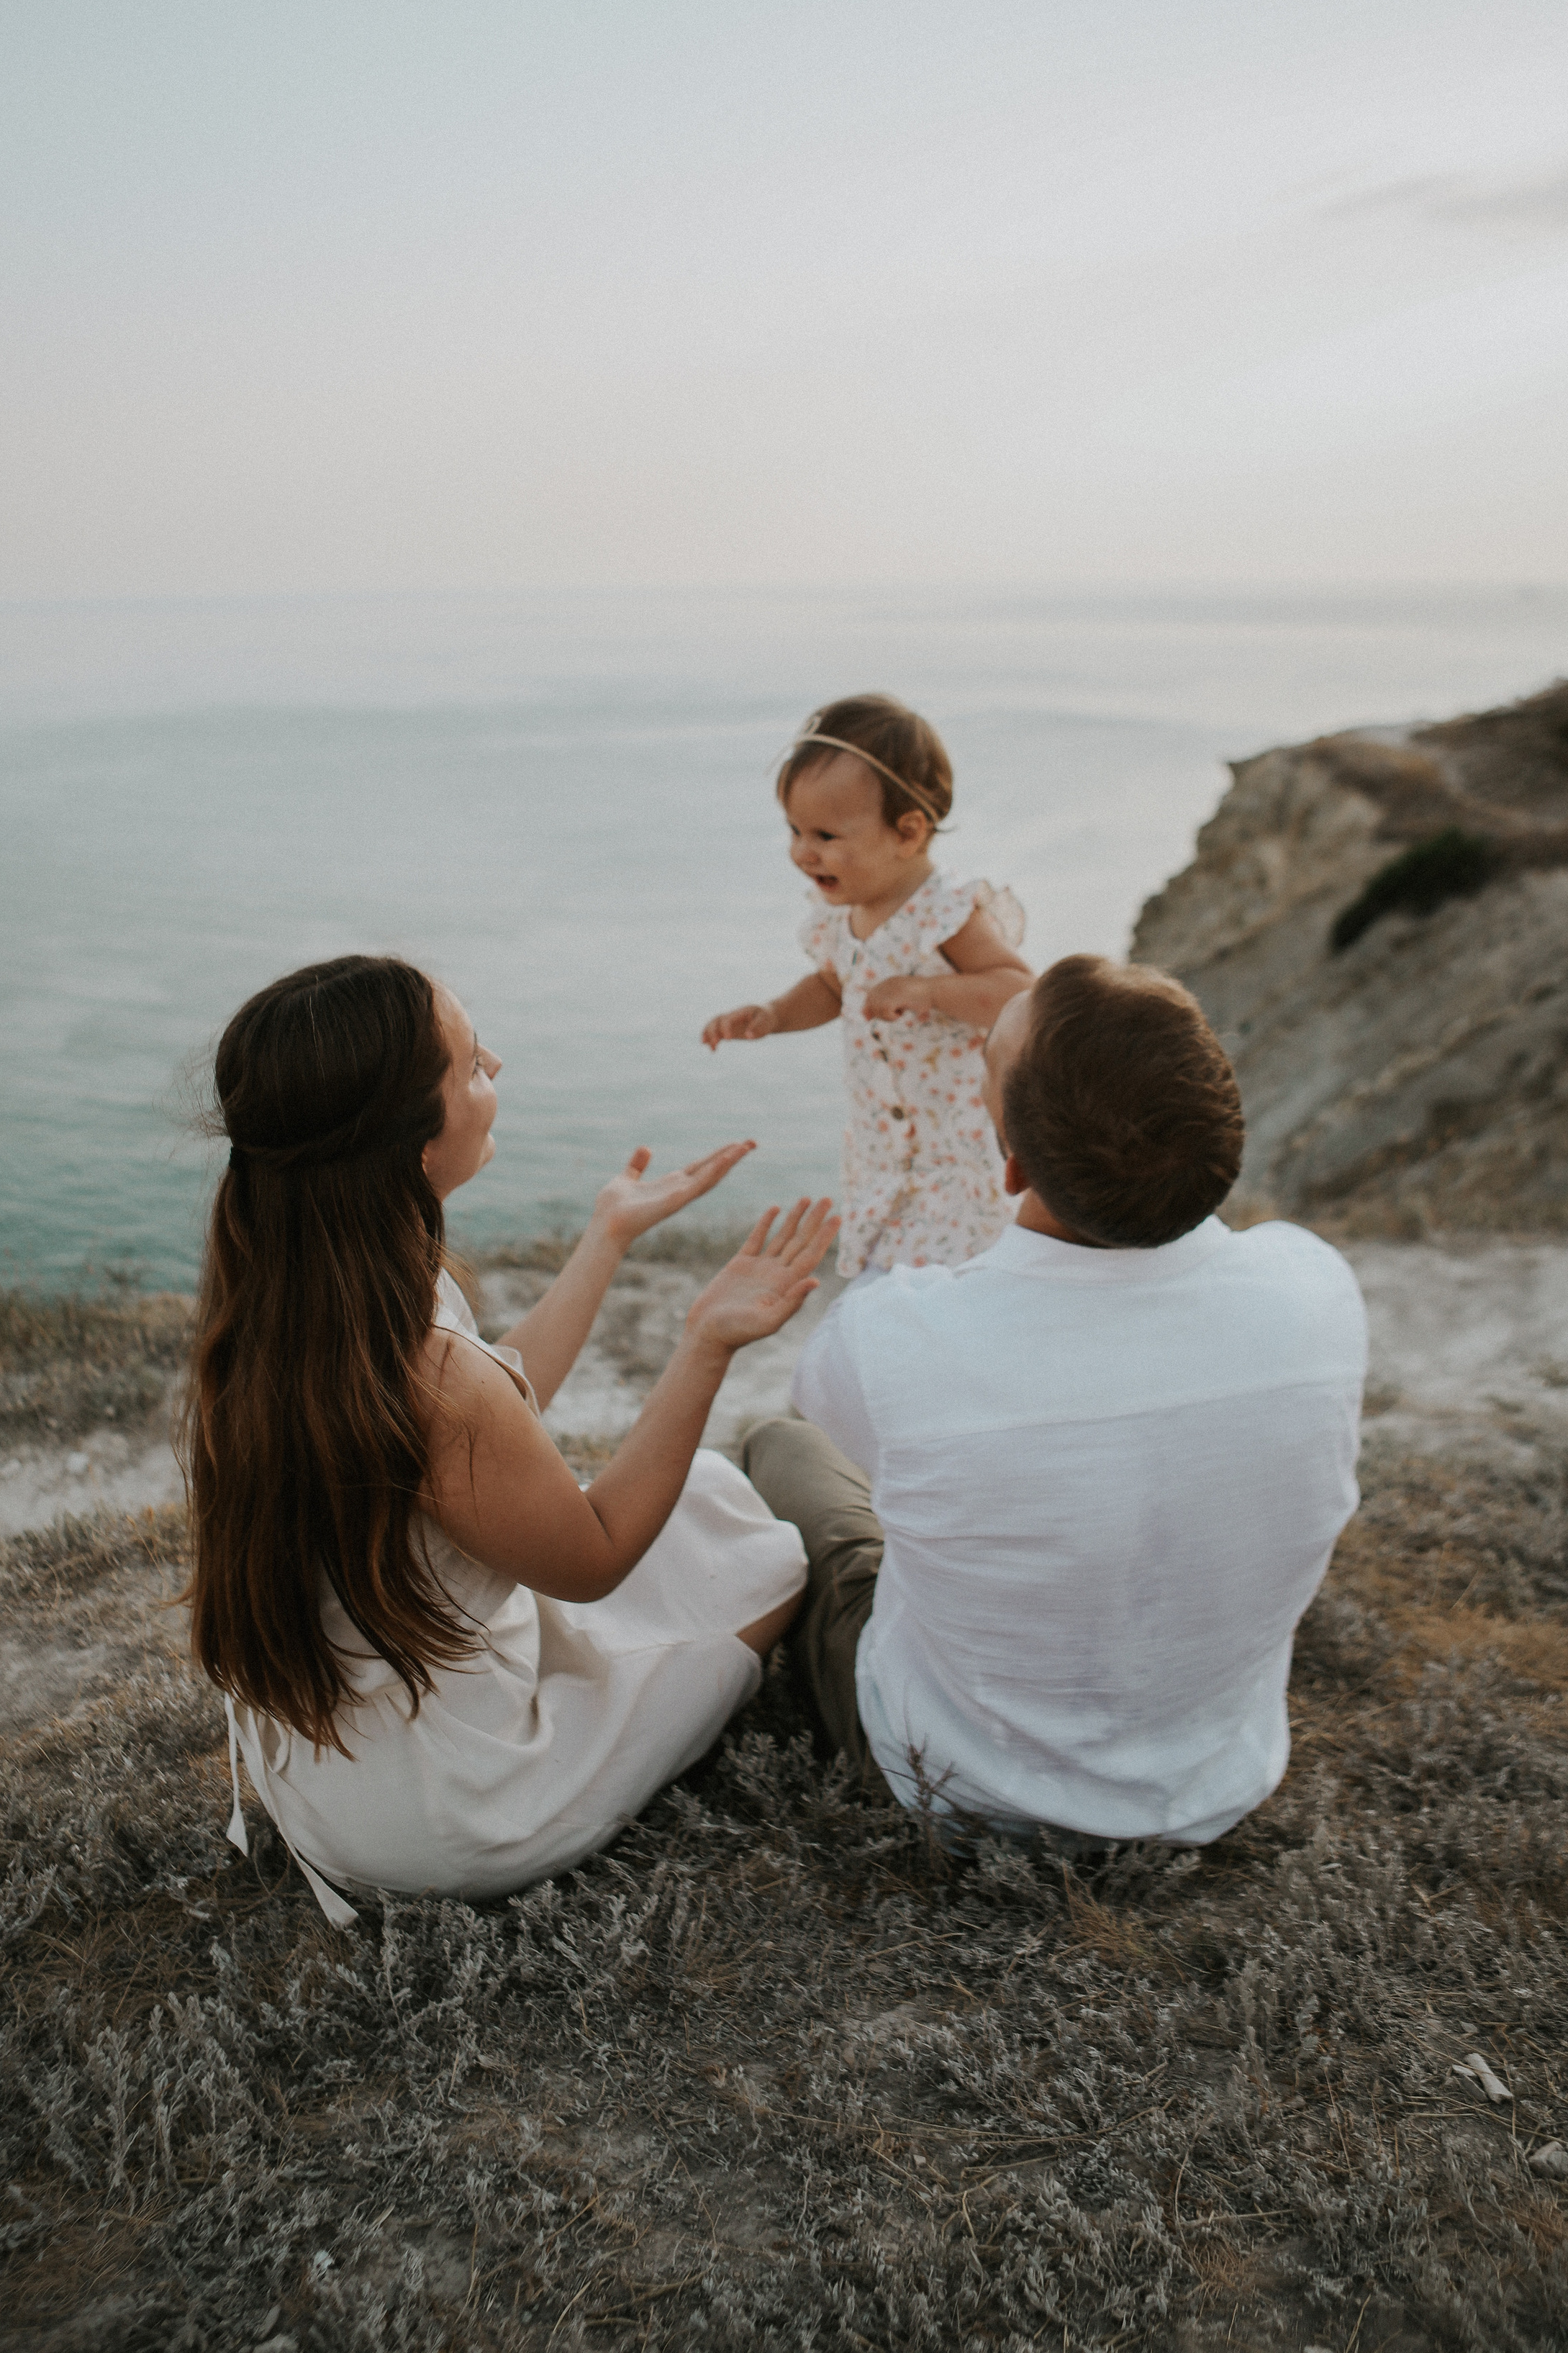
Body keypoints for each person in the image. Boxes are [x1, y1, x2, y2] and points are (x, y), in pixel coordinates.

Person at [181, 953, 836, 1919]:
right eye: (472, 1065)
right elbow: (595, 1557)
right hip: (462, 1814)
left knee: (702, 1495)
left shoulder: (291, 1290)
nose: (499, 1064)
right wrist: (707, 1342)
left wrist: (606, 1236)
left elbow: (498, 1398)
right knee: (766, 1556)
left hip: (336, 1784)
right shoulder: (420, 1364)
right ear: (412, 1147)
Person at [741, 954, 1367, 1847]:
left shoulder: (893, 1336)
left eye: (985, 1060)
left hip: (949, 1780)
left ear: (1007, 1166)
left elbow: (864, 1425)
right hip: (1213, 1786)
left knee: (779, 1445)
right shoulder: (1317, 1289)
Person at [702, 692, 1033, 1281]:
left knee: (957, 1274)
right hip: (884, 1151)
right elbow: (834, 987)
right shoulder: (840, 914)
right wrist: (775, 1014)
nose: (804, 852)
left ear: (908, 832)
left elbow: (1017, 992)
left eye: (827, 835)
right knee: (893, 1271)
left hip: (954, 1149)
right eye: (795, 830)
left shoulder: (943, 911)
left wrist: (932, 993)